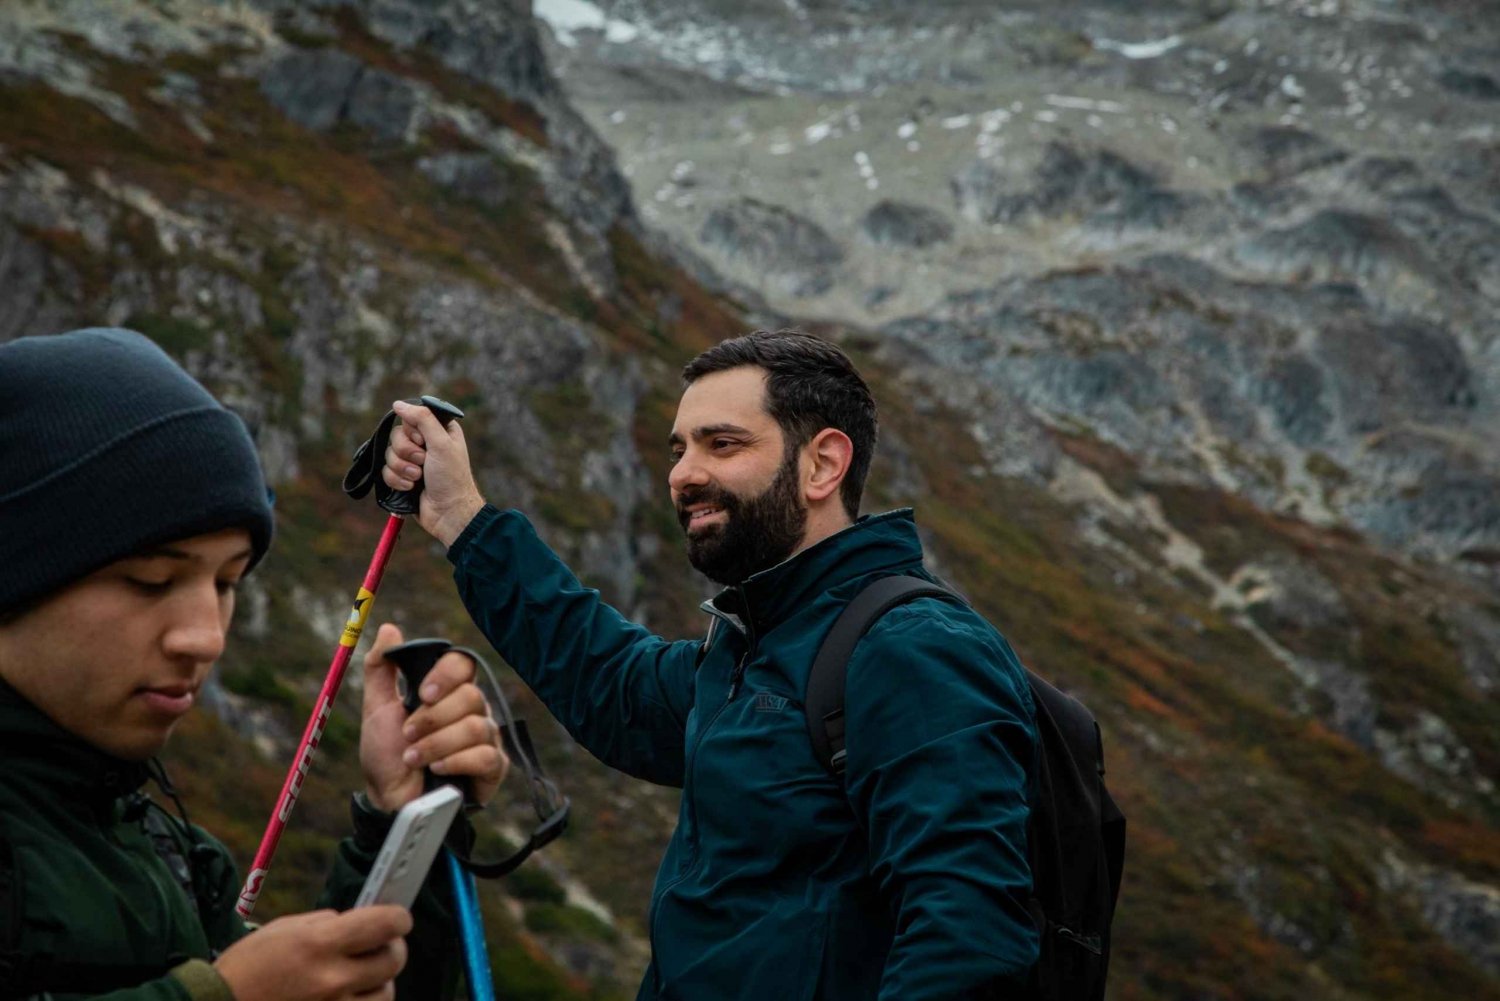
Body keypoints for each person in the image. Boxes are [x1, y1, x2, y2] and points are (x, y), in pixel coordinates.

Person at [382, 327, 1040, 999]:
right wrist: (462, 516)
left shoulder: (914, 648)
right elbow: (611, 682)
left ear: (823, 464)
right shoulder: (754, 648)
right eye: (679, 448)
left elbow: (968, 937)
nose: (683, 473)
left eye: (721, 443)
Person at [0, 328, 508, 1001]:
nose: (205, 637)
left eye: (227, 583)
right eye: (151, 581)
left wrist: (406, 820)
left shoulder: (168, 850)